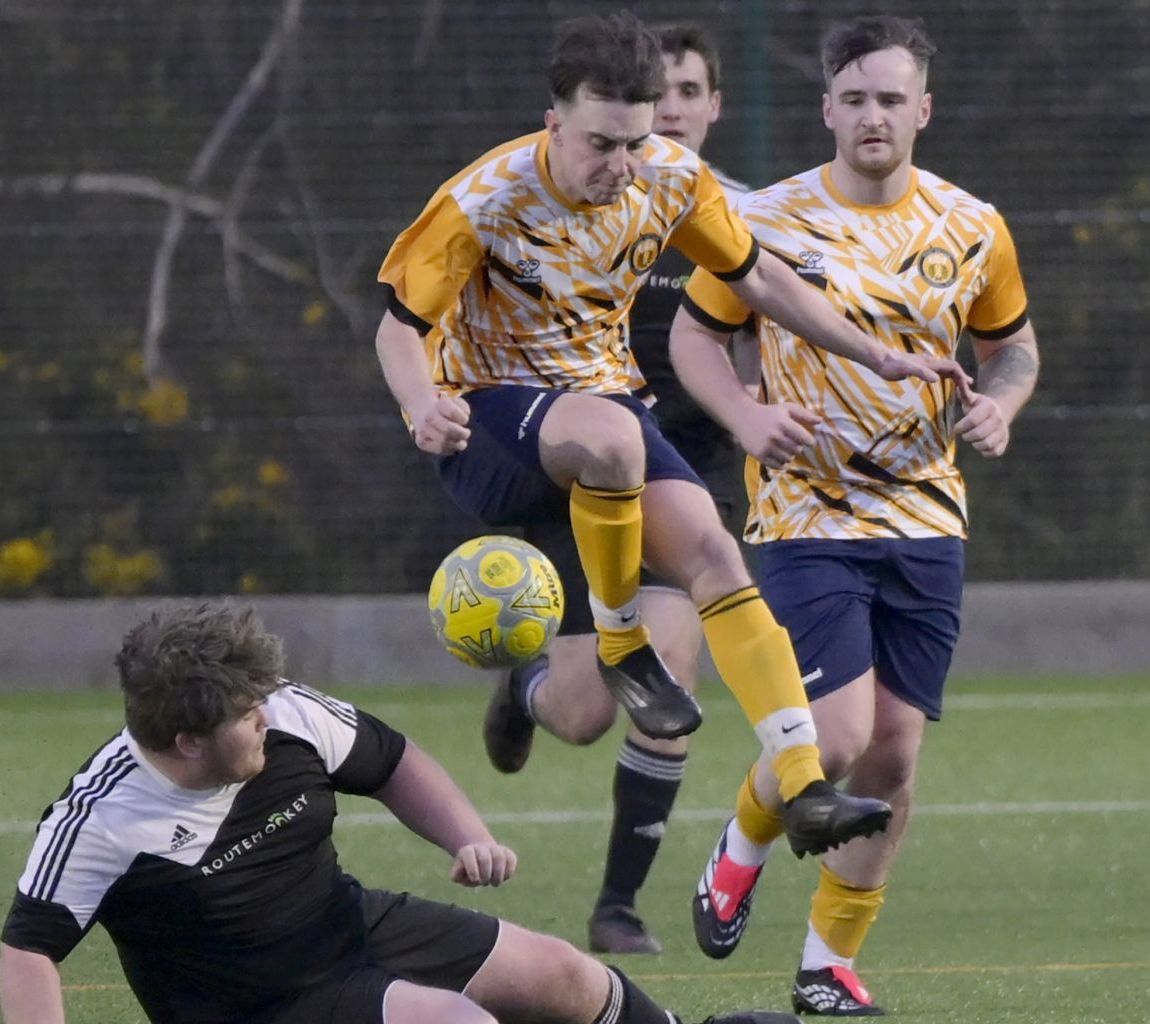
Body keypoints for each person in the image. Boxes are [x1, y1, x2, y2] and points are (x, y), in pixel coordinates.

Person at [376, 11, 971, 904]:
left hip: (603, 411)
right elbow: (398, 327)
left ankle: (802, 782)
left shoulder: (668, 177)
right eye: (599, 143)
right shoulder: (486, 198)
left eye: (636, 141)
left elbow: (760, 279)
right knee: (613, 438)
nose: (619, 165)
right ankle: (626, 641)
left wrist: (876, 353)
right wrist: (422, 402)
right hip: (490, 424)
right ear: (553, 121)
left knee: (710, 555)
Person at [0, 602, 811, 1024]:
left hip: (348, 925)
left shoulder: (284, 712)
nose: (265, 718)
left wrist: (466, 835)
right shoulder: (102, 815)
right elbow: (28, 946)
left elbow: (390, 761)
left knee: (564, 974)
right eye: (246, 715)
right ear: (185, 742)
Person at [672, 14, 1040, 1015]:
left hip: (927, 518)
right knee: (831, 740)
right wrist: (745, 416)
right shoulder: (769, 221)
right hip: (805, 514)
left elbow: (1015, 347)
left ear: (923, 109)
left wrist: (999, 406)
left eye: (892, 98)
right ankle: (739, 849)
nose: (873, 115)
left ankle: (827, 963)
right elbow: (693, 338)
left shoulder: (972, 224)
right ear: (825, 106)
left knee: (894, 754)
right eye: (855, 97)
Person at [488, 23, 756, 956]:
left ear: (714, 105)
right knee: (582, 712)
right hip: (581, 469)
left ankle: (619, 905)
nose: (673, 110)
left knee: (670, 676)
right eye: (661, 95)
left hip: (689, 473)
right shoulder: (568, 197)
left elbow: (797, 306)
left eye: (691, 91)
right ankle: (525, 688)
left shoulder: (735, 212)